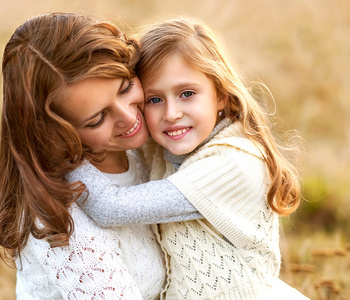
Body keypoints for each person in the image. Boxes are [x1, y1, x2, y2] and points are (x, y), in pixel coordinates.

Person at [70, 17, 310, 299]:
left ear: (221, 95)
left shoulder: (233, 163)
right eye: (154, 99)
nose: (171, 114)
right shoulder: (167, 146)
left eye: (187, 93)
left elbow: (112, 207)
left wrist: (60, 155)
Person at [0, 13, 203, 299]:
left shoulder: (145, 147)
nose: (129, 116)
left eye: (125, 88)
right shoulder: (60, 220)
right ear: (57, 132)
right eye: (97, 119)